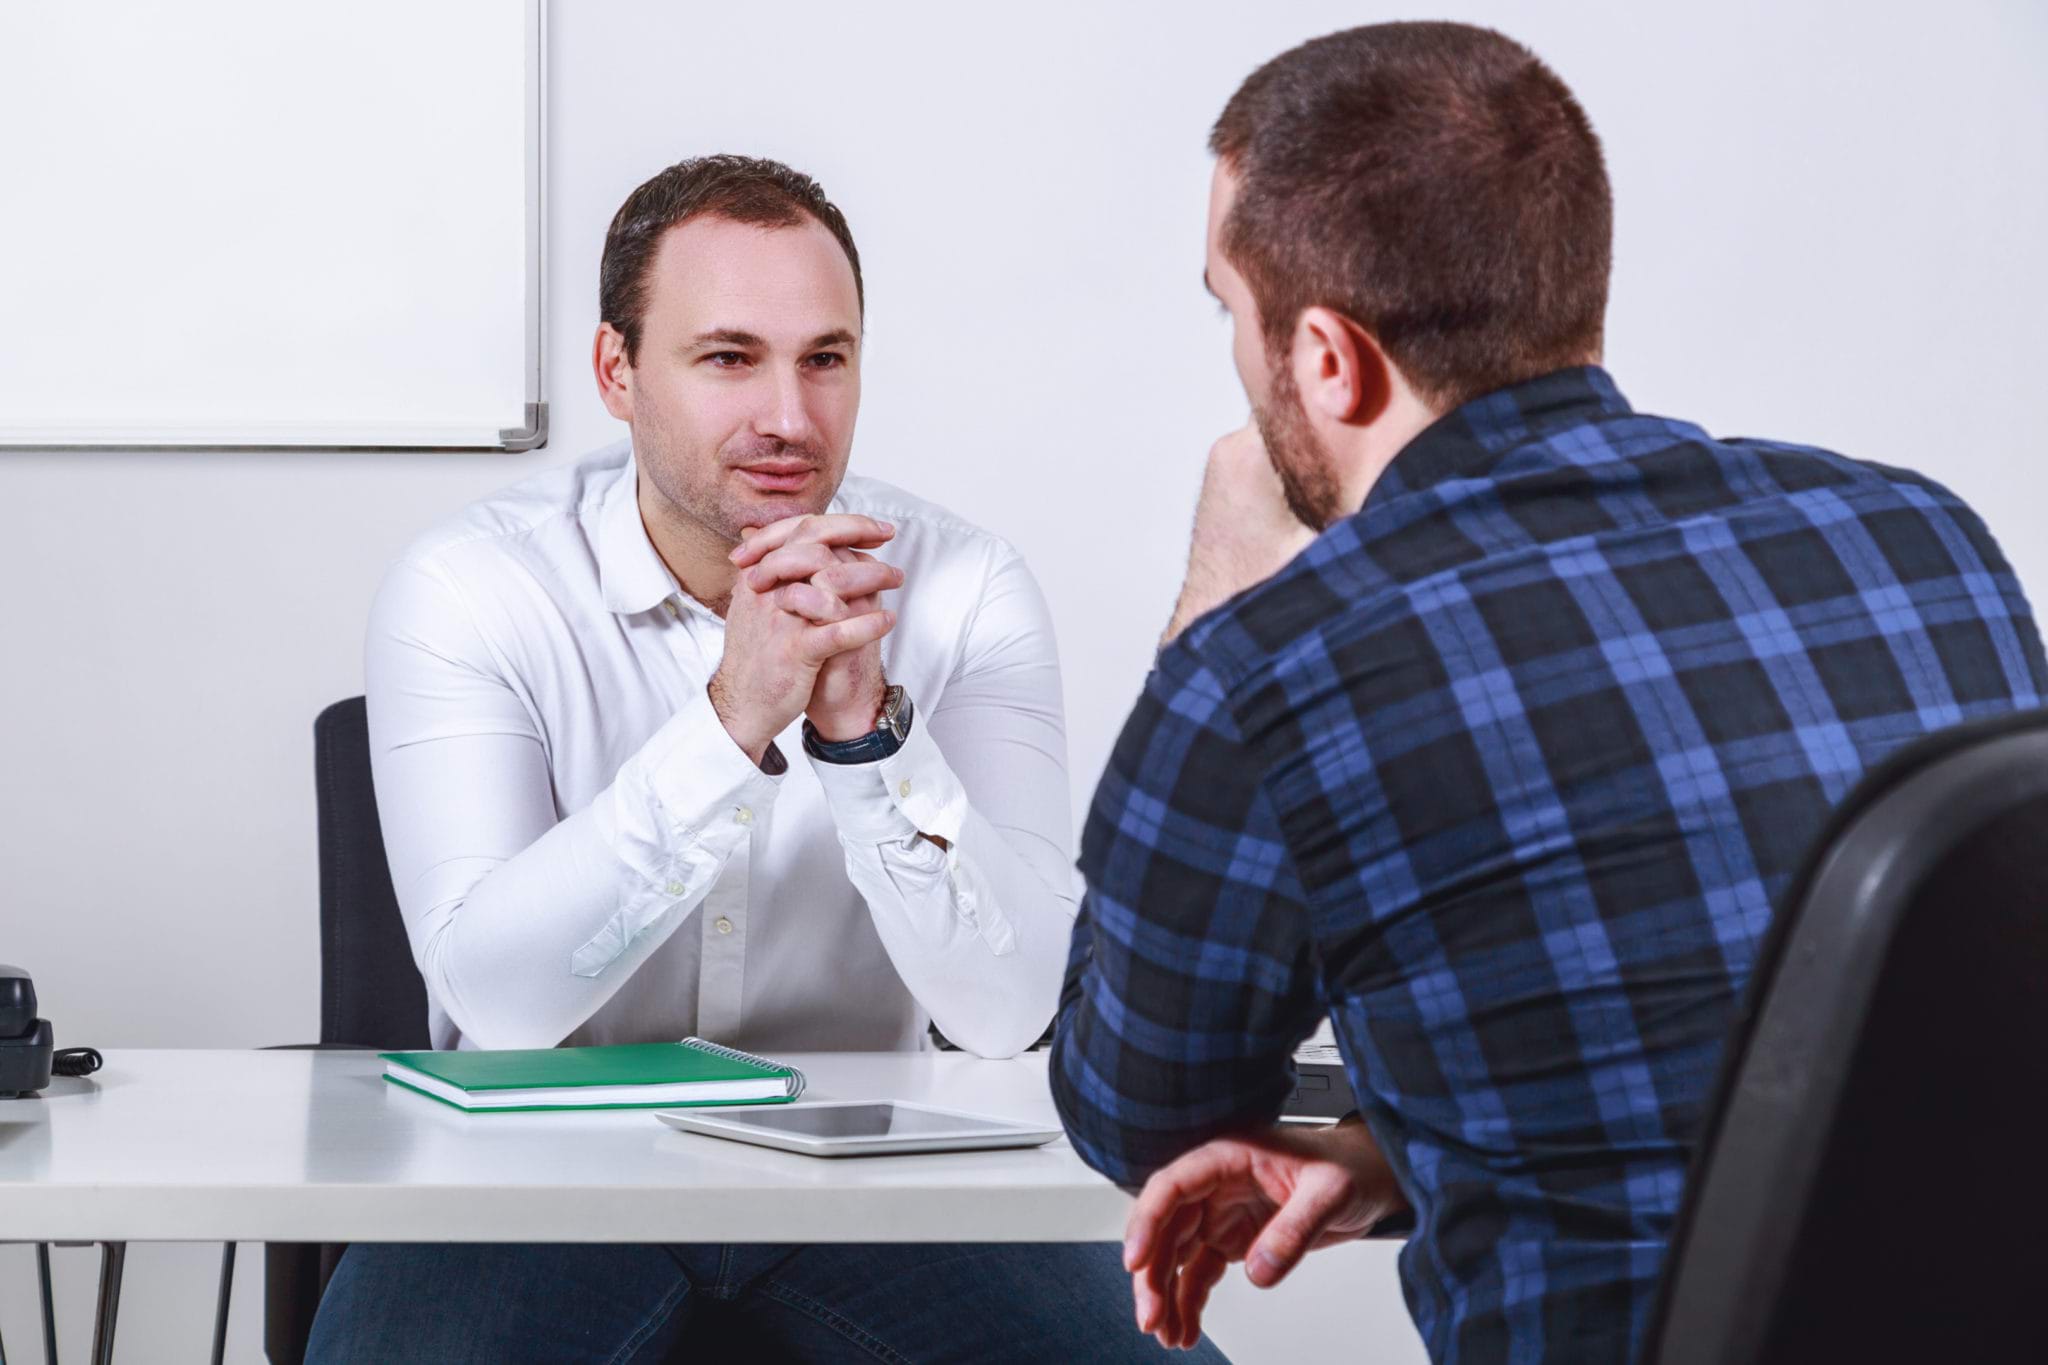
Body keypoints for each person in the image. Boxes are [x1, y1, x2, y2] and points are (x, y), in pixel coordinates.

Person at [1051, 21, 2048, 1363]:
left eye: (1232, 311)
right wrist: (1417, 1134)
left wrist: (1221, 589)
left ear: (1329, 357)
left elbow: (1139, 1115)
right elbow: (1881, 1025)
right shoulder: (1920, 538)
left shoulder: (1277, 665)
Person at [308, 155, 1222, 1363]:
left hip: (875, 1178)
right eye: (729, 357)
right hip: (533, 1183)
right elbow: (498, 1002)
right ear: (617, 373)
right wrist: (734, 717)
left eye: (825, 358)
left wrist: (865, 735)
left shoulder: (964, 589)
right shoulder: (473, 587)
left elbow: (1008, 1014)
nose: (789, 416)